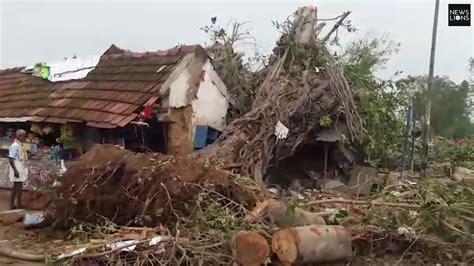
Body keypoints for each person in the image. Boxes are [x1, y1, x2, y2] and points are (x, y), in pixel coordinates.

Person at [8, 129, 28, 209]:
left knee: (16, 188)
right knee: (18, 188)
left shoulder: (20, 145)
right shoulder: (15, 145)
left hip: (19, 166)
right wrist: (15, 170)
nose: (24, 138)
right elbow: (10, 158)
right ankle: (19, 205)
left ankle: (12, 204)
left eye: (24, 136)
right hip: (16, 167)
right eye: (23, 136)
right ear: (18, 136)